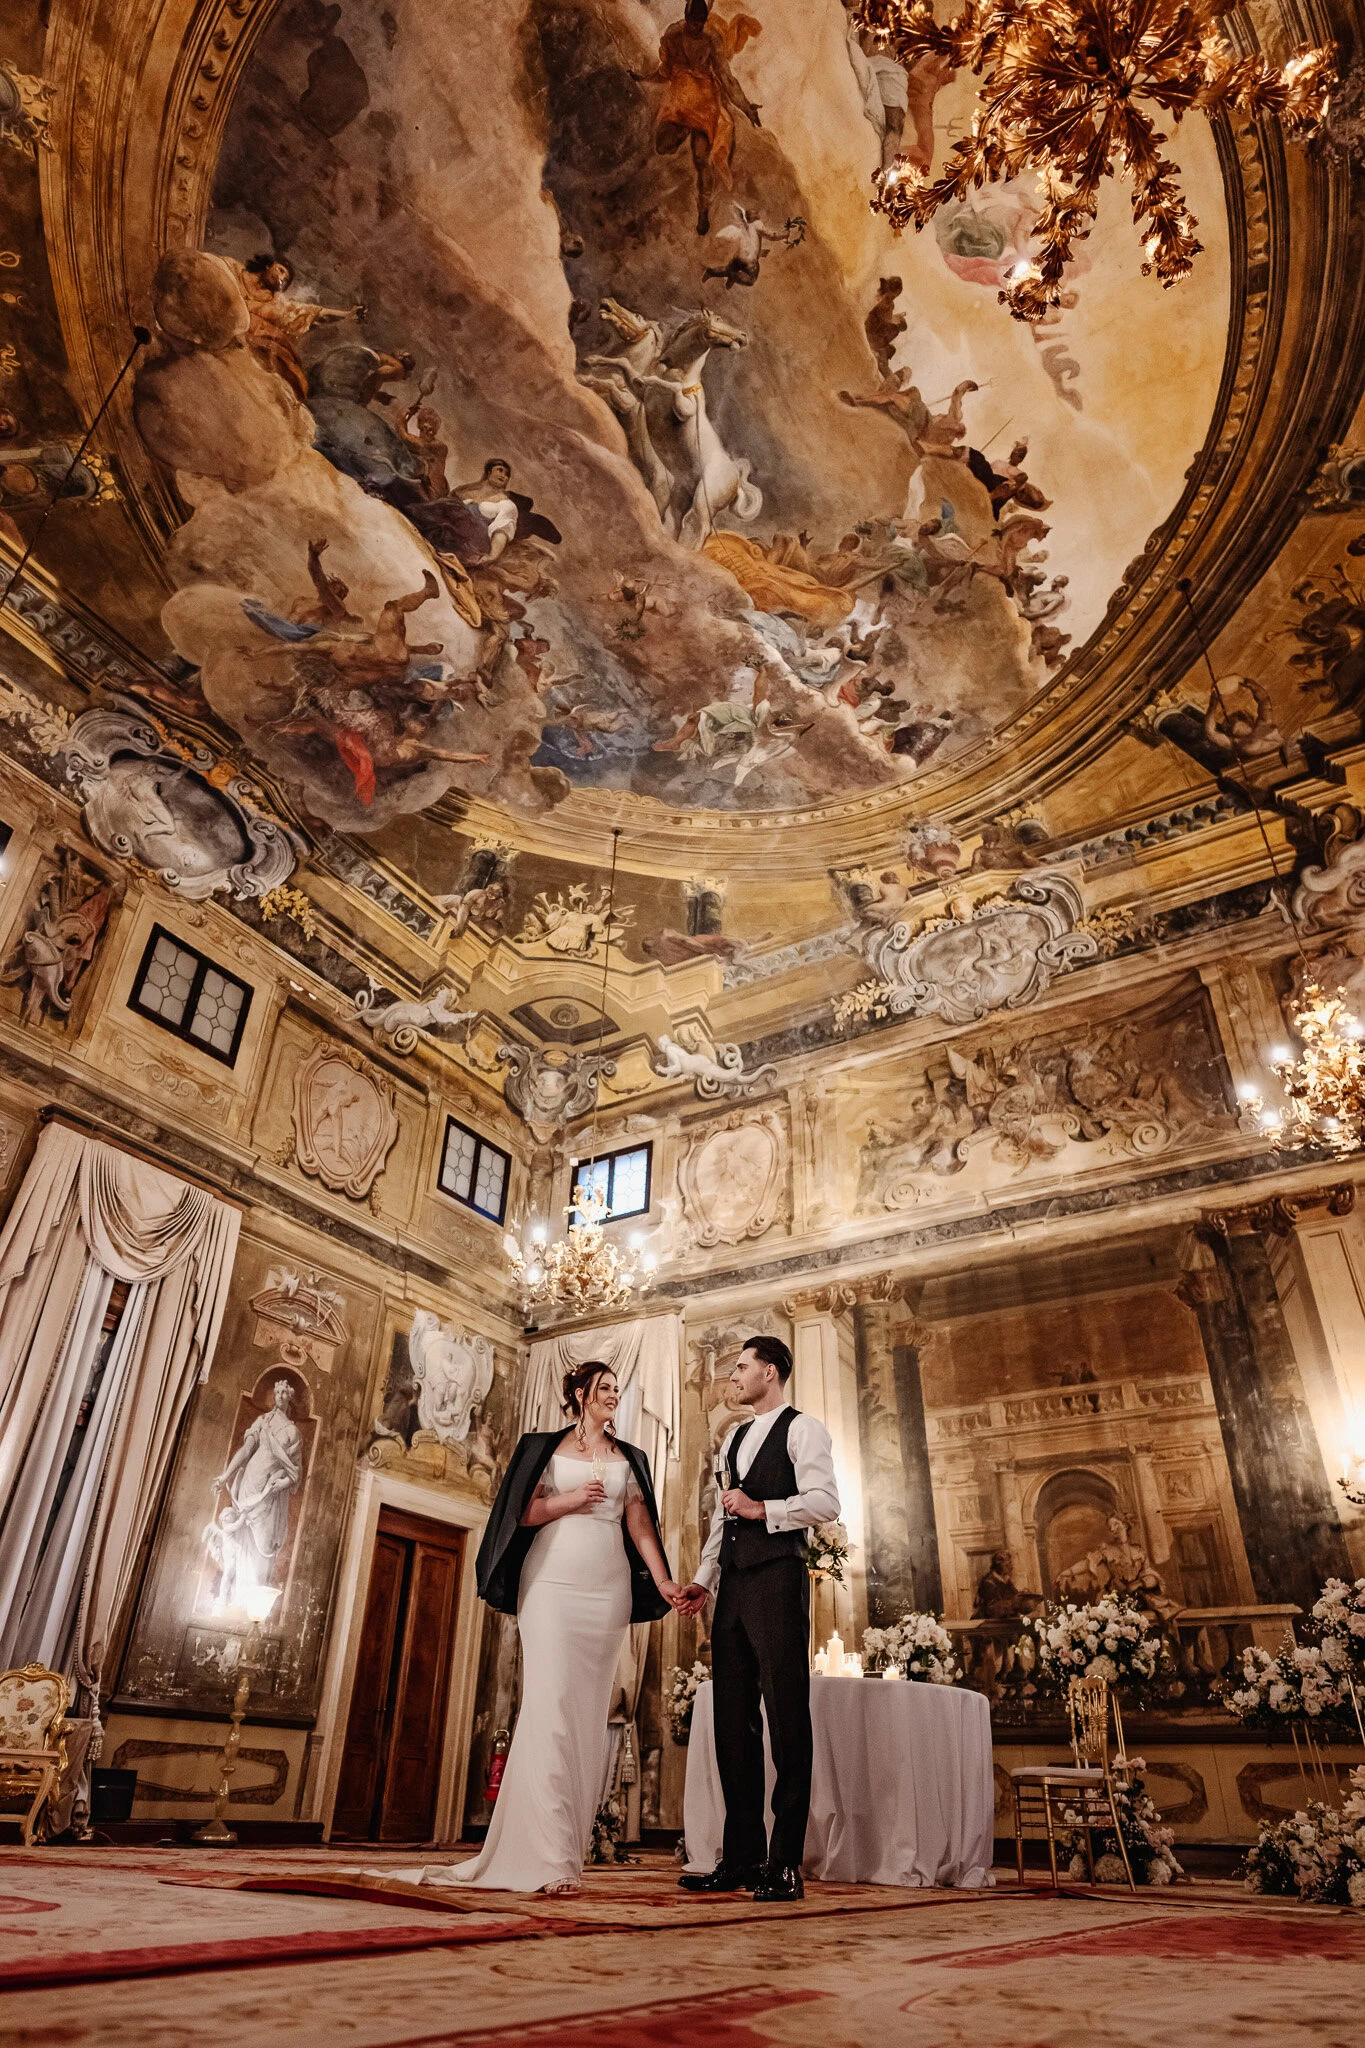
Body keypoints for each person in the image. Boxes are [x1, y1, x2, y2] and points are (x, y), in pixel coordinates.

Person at [408, 1362, 682, 1895]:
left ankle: (564, 1852)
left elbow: (639, 1523)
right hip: (552, 1585)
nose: (612, 1397)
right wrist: (573, 1500)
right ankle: (550, 1859)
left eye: (616, 1390)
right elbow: (521, 1514)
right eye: (603, 1389)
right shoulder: (541, 1448)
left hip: (608, 1591)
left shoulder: (630, 1458)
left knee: (584, 1716)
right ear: (580, 1394)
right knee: (551, 1705)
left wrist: (665, 1581)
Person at [674, 1336, 839, 1902]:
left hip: (778, 1578)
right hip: (735, 1588)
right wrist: (704, 1579)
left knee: (788, 1719)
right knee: (732, 1722)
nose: (734, 1376)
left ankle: (784, 1864)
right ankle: (740, 1858)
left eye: (742, 1367)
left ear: (770, 1372)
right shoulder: (734, 1439)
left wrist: (764, 1508)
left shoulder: (803, 1429)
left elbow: (825, 1503)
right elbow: (724, 1517)